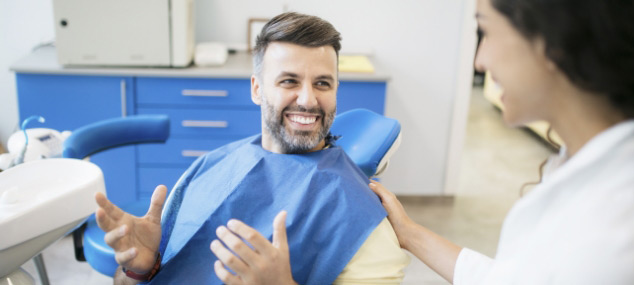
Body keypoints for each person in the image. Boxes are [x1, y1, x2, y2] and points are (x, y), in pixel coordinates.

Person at [215, 0, 634, 284]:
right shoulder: (582, 165)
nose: (479, 61)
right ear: (257, 88)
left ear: (552, 43)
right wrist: (148, 265)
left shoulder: (610, 233)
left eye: (485, 32)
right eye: (288, 80)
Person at [94, 12, 409, 285]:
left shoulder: (362, 218)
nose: (308, 100)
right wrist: (139, 270)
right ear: (257, 89)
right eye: (289, 81)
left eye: (323, 83)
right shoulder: (210, 166)